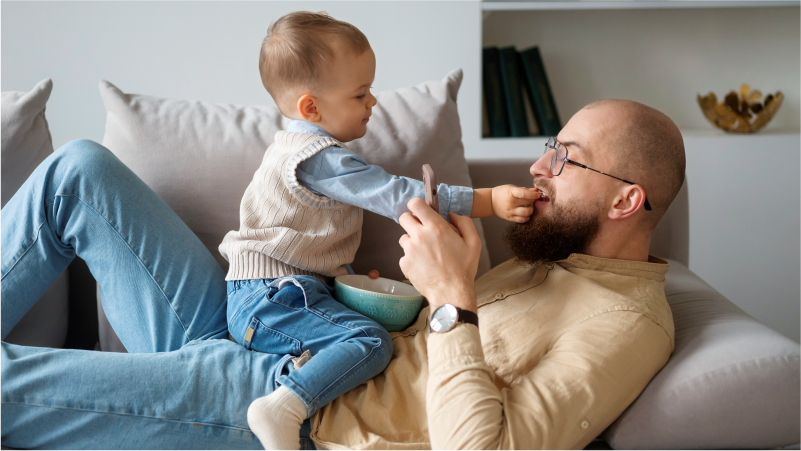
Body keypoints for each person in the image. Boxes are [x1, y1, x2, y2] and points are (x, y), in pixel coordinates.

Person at [0, 93, 685, 449]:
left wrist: (451, 298)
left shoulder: (625, 323)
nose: (538, 168)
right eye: (547, 148)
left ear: (626, 199)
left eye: (564, 157)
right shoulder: (556, 262)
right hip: (275, 325)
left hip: (296, 408)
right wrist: (422, 288)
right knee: (78, 173)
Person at [218, 12, 538, 450]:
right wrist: (487, 201)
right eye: (360, 93)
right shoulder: (319, 158)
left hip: (279, 294)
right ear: (311, 108)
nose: (373, 102)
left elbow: (310, 245)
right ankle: (283, 406)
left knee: (378, 329)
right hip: (271, 297)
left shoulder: (301, 150)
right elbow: (398, 194)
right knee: (370, 342)